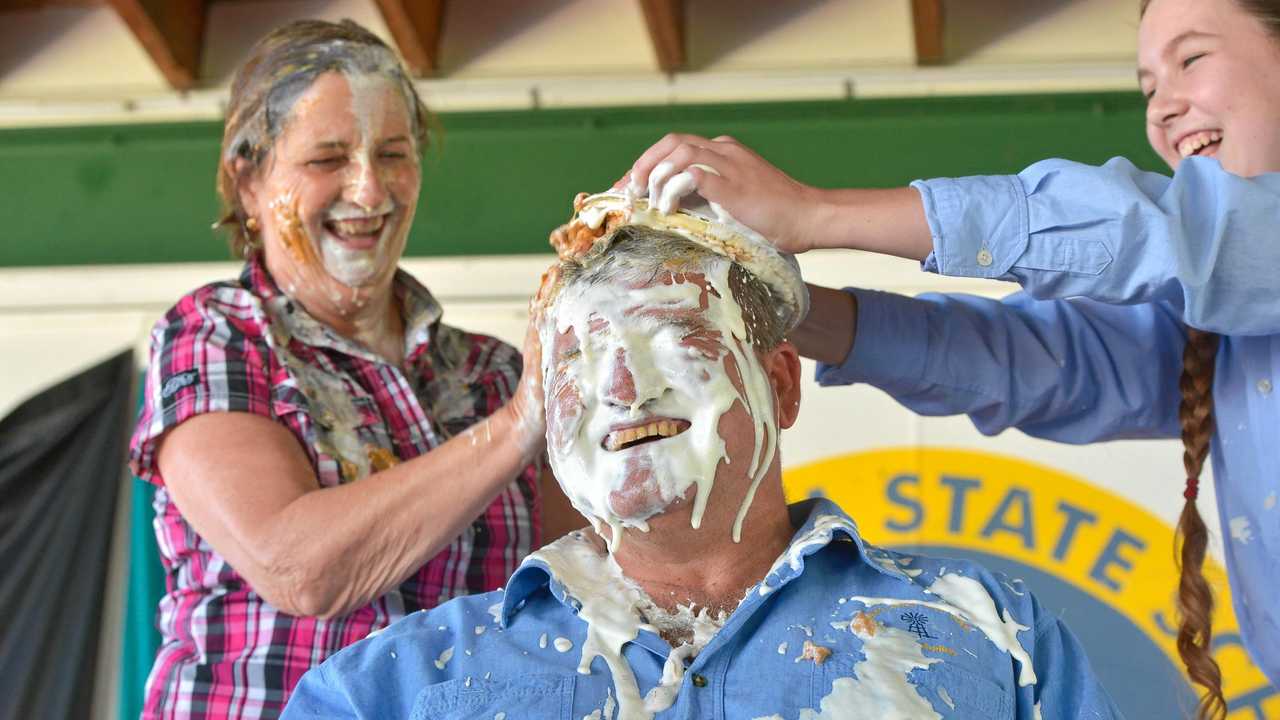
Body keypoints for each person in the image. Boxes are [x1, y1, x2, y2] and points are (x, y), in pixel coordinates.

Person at [617, 0, 1280, 717]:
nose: (1165, 108)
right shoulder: (1225, 312)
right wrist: (776, 301)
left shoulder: (1231, 248)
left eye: (1191, 59)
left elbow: (1150, 233)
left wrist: (815, 214)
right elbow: (1042, 361)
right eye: (1149, 87)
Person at [279, 205, 1123, 720]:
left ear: (782, 387)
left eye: (673, 341)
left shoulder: (995, 637)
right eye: (576, 361)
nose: (620, 386)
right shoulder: (388, 690)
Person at [128, 20, 576, 719]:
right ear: (249, 180)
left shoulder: (494, 369)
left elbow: (580, 586)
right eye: (327, 158)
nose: (369, 191)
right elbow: (299, 569)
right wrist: (519, 427)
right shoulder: (215, 332)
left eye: (393, 153)